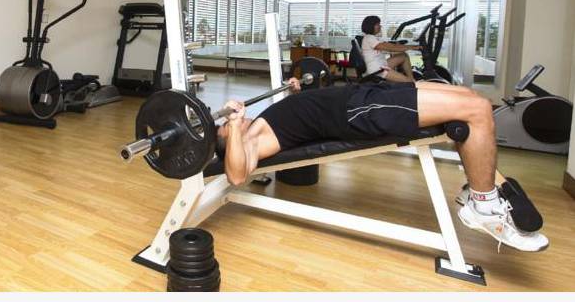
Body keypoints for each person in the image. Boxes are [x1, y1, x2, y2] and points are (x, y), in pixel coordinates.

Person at [216, 79, 549, 252]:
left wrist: (295, 89)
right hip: (361, 111)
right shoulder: (252, 140)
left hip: (365, 94)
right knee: (477, 109)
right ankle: (483, 206)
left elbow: (300, 115)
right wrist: (233, 126)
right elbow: (236, 174)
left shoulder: (260, 123)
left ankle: (474, 185)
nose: (229, 121)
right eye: (224, 128)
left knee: (468, 96)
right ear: (229, 141)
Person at [360, 15, 420, 83]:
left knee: (404, 56)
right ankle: (411, 82)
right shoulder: (369, 38)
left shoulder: (373, 38)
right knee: (408, 82)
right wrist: (411, 47)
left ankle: (412, 79)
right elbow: (390, 48)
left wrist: (408, 47)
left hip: (381, 64)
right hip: (377, 70)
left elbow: (389, 46)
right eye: (377, 24)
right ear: (371, 26)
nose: (380, 26)